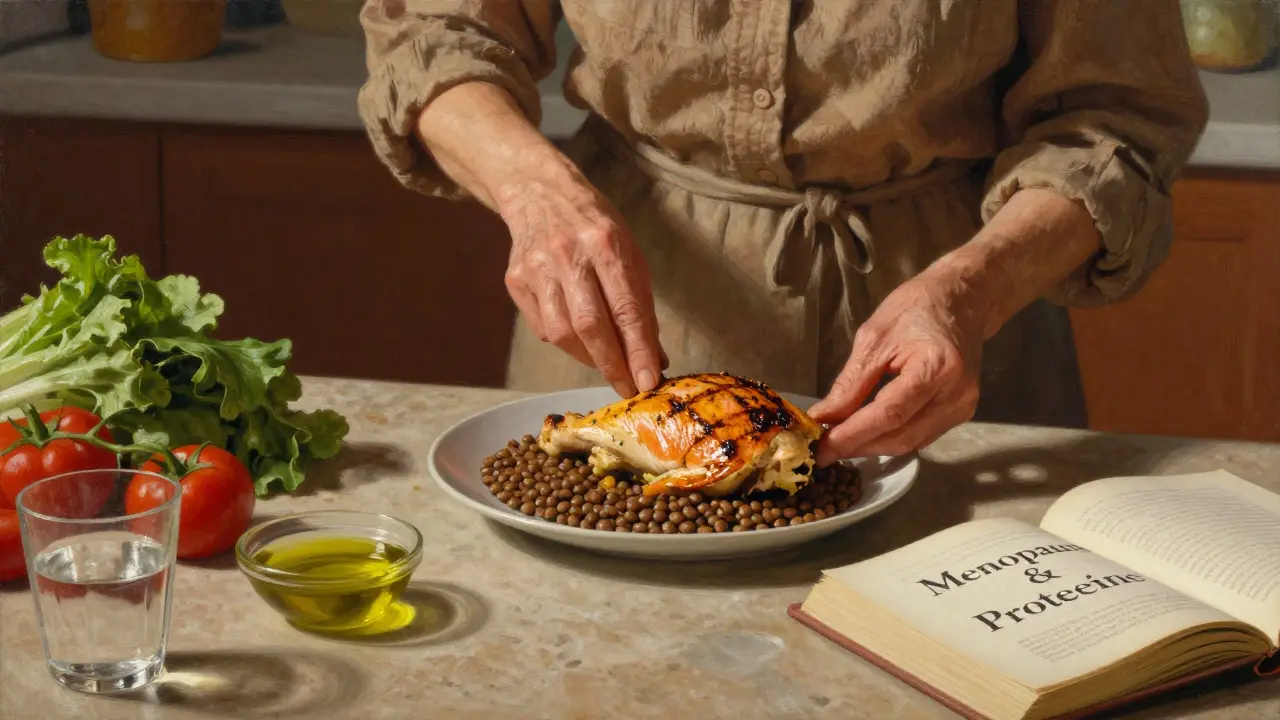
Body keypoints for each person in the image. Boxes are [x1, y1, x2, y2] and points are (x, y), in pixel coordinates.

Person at [357, 1, 1207, 466]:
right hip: (630, 303)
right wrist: (537, 193)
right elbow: (432, 36)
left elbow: (1115, 118)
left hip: (956, 328)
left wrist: (971, 289)